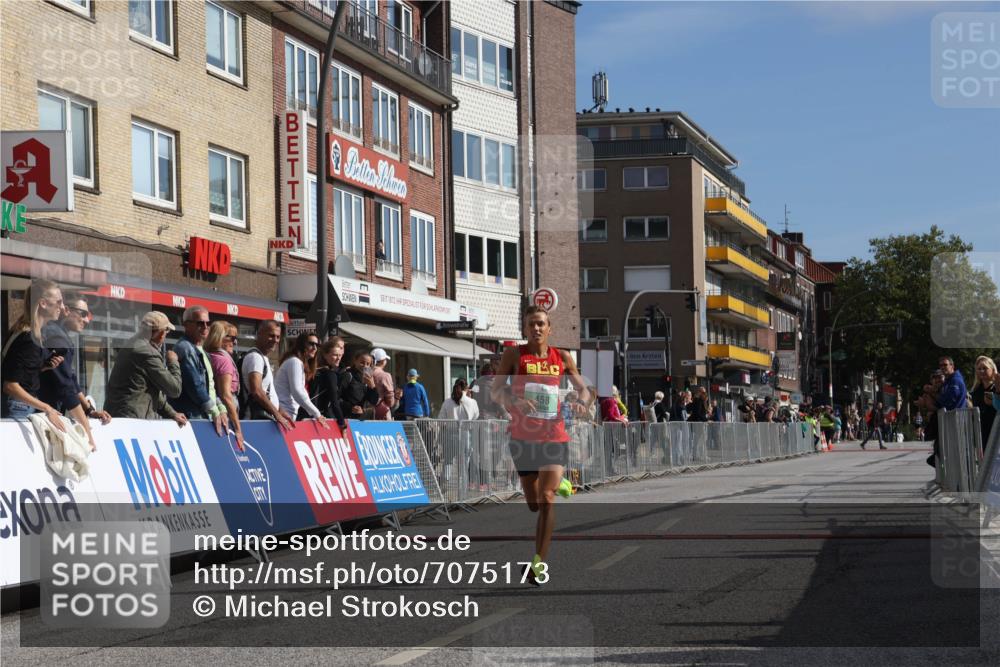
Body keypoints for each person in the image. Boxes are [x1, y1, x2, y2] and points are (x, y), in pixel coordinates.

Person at [491, 305, 589, 586]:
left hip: (553, 434)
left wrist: (582, 402)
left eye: (541, 324)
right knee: (533, 504)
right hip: (522, 438)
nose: (536, 328)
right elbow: (496, 390)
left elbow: (583, 388)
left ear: (550, 328)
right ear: (525, 329)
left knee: (546, 499)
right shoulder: (514, 355)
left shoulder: (562, 357)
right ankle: (560, 483)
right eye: (531, 324)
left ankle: (538, 566)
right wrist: (515, 401)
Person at [39, 293, 111, 450]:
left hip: (41, 407)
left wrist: (89, 410)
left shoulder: (58, 334)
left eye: (89, 315)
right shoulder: (56, 336)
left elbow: (70, 379)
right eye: (83, 314)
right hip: (33, 408)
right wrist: (89, 435)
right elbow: (65, 388)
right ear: (66, 310)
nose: (86, 320)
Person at [2, 279, 70, 434]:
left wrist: (43, 366)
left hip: (20, 407)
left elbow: (18, 373)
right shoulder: (29, 338)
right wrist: (47, 408)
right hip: (18, 409)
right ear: (43, 304)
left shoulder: (24, 331)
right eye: (58, 302)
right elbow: (10, 385)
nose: (62, 306)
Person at [105, 311, 187, 426]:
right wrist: (173, 362)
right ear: (160, 333)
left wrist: (172, 414)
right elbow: (174, 389)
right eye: (166, 331)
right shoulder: (147, 352)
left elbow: (150, 390)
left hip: (122, 416)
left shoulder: (132, 344)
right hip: (133, 421)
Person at [169, 306, 227, 436]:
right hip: (193, 417)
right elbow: (195, 385)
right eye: (200, 323)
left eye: (208, 323)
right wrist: (214, 411)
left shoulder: (203, 351)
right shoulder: (185, 348)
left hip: (204, 415)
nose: (205, 327)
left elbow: (209, 385)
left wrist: (220, 406)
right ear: (186, 325)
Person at [241, 320, 292, 429]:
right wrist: (277, 414)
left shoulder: (262, 357)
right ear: (259, 334)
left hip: (265, 419)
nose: (275, 340)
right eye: (271, 335)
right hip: (257, 421)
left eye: (278, 337)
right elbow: (257, 391)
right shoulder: (255, 357)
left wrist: (279, 410)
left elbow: (266, 389)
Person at [275, 333, 328, 427]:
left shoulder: (298, 362)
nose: (315, 348)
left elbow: (302, 392)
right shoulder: (294, 361)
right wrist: (317, 414)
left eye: (317, 345)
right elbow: (297, 391)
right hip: (283, 414)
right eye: (311, 344)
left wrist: (315, 413)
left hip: (287, 414)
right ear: (301, 344)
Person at [205, 321, 243, 449]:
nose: (235, 342)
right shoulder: (223, 359)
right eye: (232, 338)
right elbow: (226, 396)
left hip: (215, 408)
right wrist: (238, 429)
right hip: (225, 411)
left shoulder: (208, 355)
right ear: (220, 337)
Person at [312, 337, 348, 429]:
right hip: (321, 418)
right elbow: (334, 401)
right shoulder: (329, 374)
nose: (338, 358)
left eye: (340, 355)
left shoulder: (316, 370)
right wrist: (342, 424)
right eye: (335, 355)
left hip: (313, 416)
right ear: (325, 355)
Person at [970, 355, 998, 450]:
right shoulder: (976, 390)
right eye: (979, 369)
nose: (982, 371)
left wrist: (993, 402)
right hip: (983, 432)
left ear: (992, 369)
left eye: (985, 368)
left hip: (997, 430)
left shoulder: (997, 388)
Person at [342, 349, 379, 419]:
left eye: (368, 364)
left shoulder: (369, 378)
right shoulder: (348, 375)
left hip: (362, 419)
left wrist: (373, 387)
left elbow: (374, 402)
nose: (365, 366)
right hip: (346, 418)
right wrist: (351, 408)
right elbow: (337, 398)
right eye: (362, 362)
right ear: (355, 361)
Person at [370, 348, 396, 420]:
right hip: (381, 410)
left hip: (366, 410)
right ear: (382, 361)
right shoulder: (385, 375)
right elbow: (390, 397)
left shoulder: (366, 372)